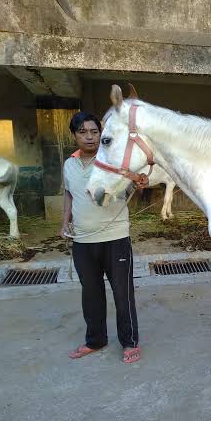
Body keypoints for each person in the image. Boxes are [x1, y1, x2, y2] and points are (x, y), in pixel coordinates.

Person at [60, 111, 141, 364]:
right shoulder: (69, 164)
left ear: (101, 134)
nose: (89, 137)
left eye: (94, 132)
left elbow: (129, 187)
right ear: (74, 135)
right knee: (91, 294)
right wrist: (65, 221)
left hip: (115, 238)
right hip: (83, 241)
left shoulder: (111, 160)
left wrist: (137, 182)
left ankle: (129, 342)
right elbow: (69, 195)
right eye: (83, 132)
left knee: (122, 293)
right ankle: (95, 340)